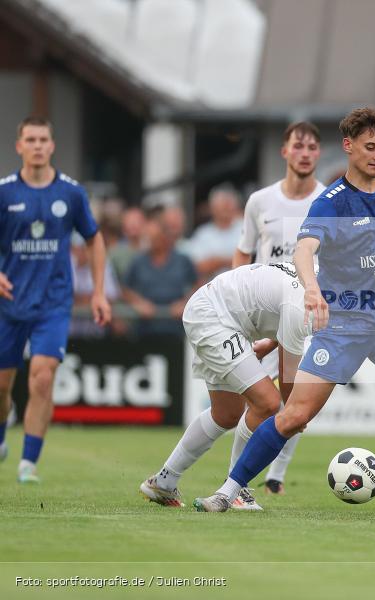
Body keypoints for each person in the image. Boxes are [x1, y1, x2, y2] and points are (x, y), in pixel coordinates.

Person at [193, 106, 375, 519]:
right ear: (349, 146)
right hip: (344, 326)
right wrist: (313, 292)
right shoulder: (331, 203)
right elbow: (304, 251)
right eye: (370, 147)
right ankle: (227, 492)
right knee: (294, 416)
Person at [139, 262, 309, 509]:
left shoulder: (314, 278)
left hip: (215, 310)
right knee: (269, 403)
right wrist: (296, 412)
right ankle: (237, 489)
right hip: (215, 317)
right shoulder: (307, 299)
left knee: (226, 413)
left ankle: (163, 482)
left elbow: (283, 314)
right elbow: (288, 374)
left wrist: (271, 343)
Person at [0, 116, 111, 482]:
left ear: (52, 145)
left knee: (43, 377)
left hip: (53, 302)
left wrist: (97, 292)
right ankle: (4, 428)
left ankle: (28, 464)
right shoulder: (4, 192)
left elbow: (93, 239)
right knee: (2, 384)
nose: (36, 145)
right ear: (19, 146)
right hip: (9, 301)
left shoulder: (71, 193)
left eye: (42, 139)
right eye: (29, 139)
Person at [232, 120, 326, 495]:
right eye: (297, 147)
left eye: (311, 147)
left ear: (318, 154)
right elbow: (244, 249)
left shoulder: (328, 200)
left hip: (303, 315)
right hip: (260, 313)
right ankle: (238, 480)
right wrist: (235, 293)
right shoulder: (260, 201)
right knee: (253, 403)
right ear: (284, 151)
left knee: (295, 401)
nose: (304, 154)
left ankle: (272, 475)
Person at [121, 208, 197, 337]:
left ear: (165, 236)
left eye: (155, 238)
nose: (152, 242)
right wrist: (138, 303)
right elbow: (125, 289)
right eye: (149, 238)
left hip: (177, 327)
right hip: (146, 327)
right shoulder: (138, 261)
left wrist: (185, 303)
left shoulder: (182, 260)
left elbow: (198, 285)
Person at [188, 185, 244, 283]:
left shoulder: (246, 228)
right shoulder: (203, 233)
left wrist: (216, 261)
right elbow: (198, 267)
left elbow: (254, 261)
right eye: (223, 205)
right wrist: (232, 260)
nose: (226, 208)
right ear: (212, 208)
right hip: (211, 290)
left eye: (229, 204)